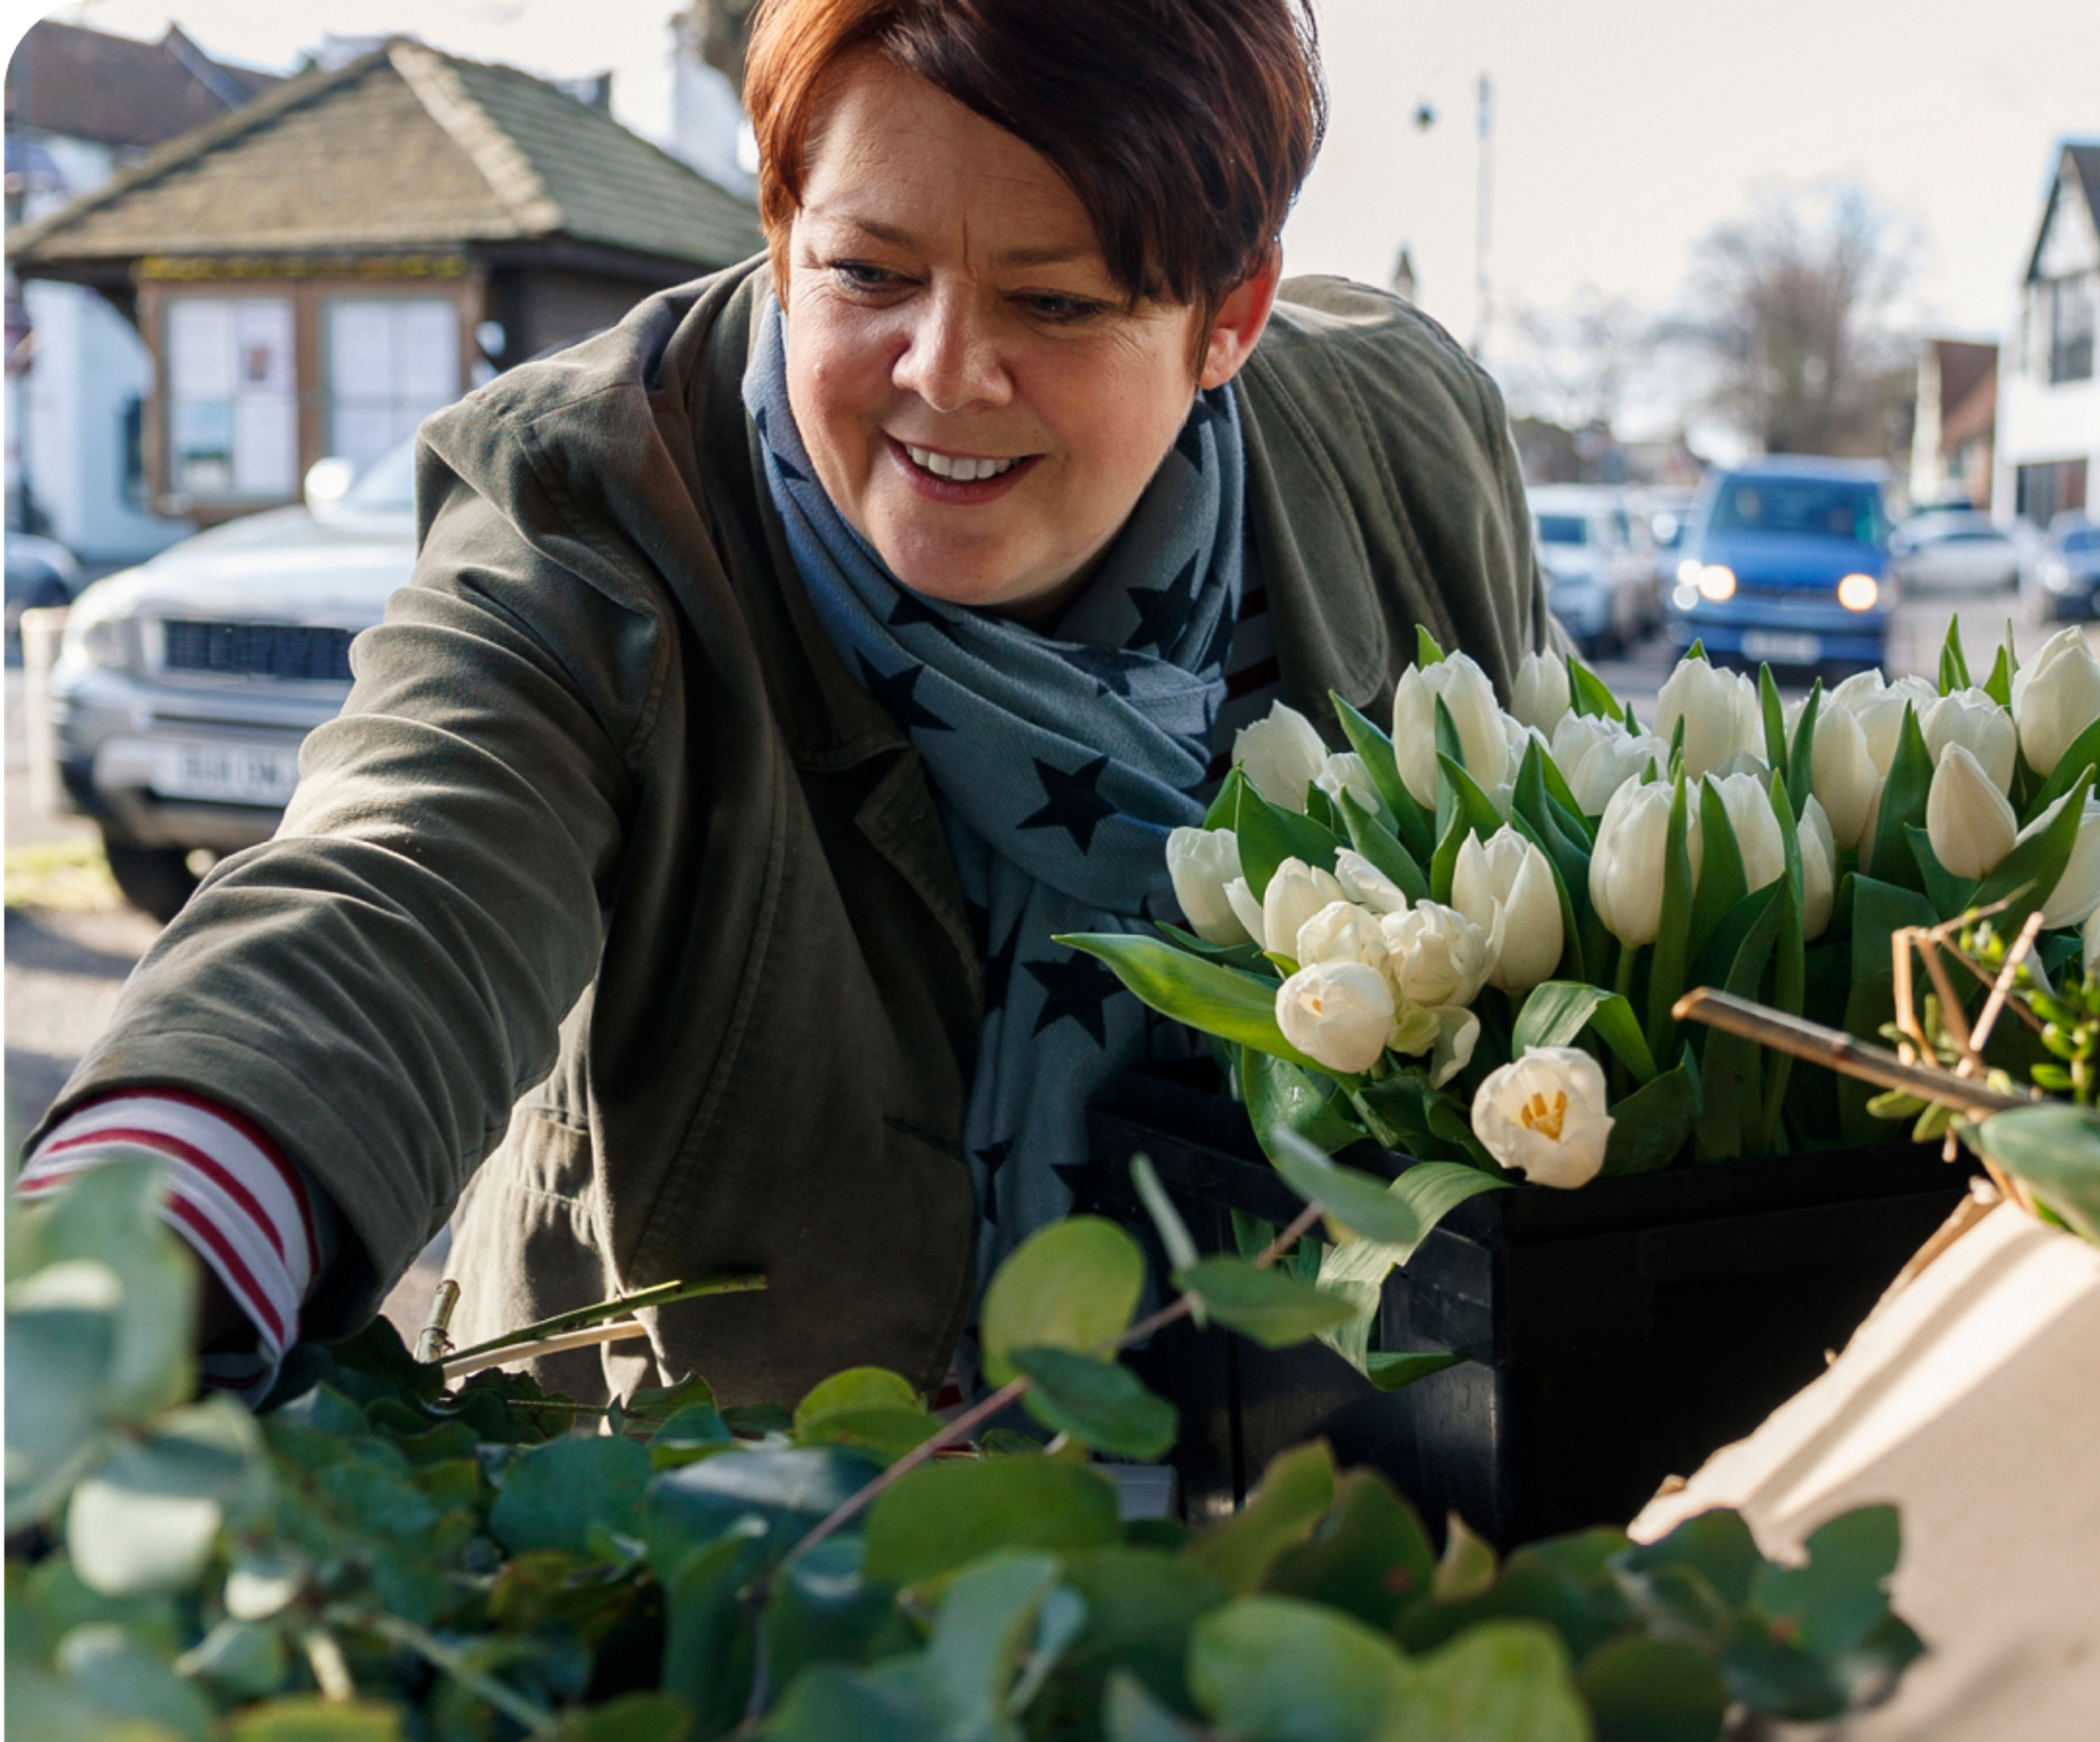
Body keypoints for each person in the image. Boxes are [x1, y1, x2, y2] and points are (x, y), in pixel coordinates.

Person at [16, 0, 1559, 1410]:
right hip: (722, 1585)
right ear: (777, 221)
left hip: (1316, 1582)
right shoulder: (595, 505)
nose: (945, 375)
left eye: (1060, 304)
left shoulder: (1400, 440)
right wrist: (100, 1287)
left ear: (1230, 315)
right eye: (869, 273)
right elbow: (386, 897)